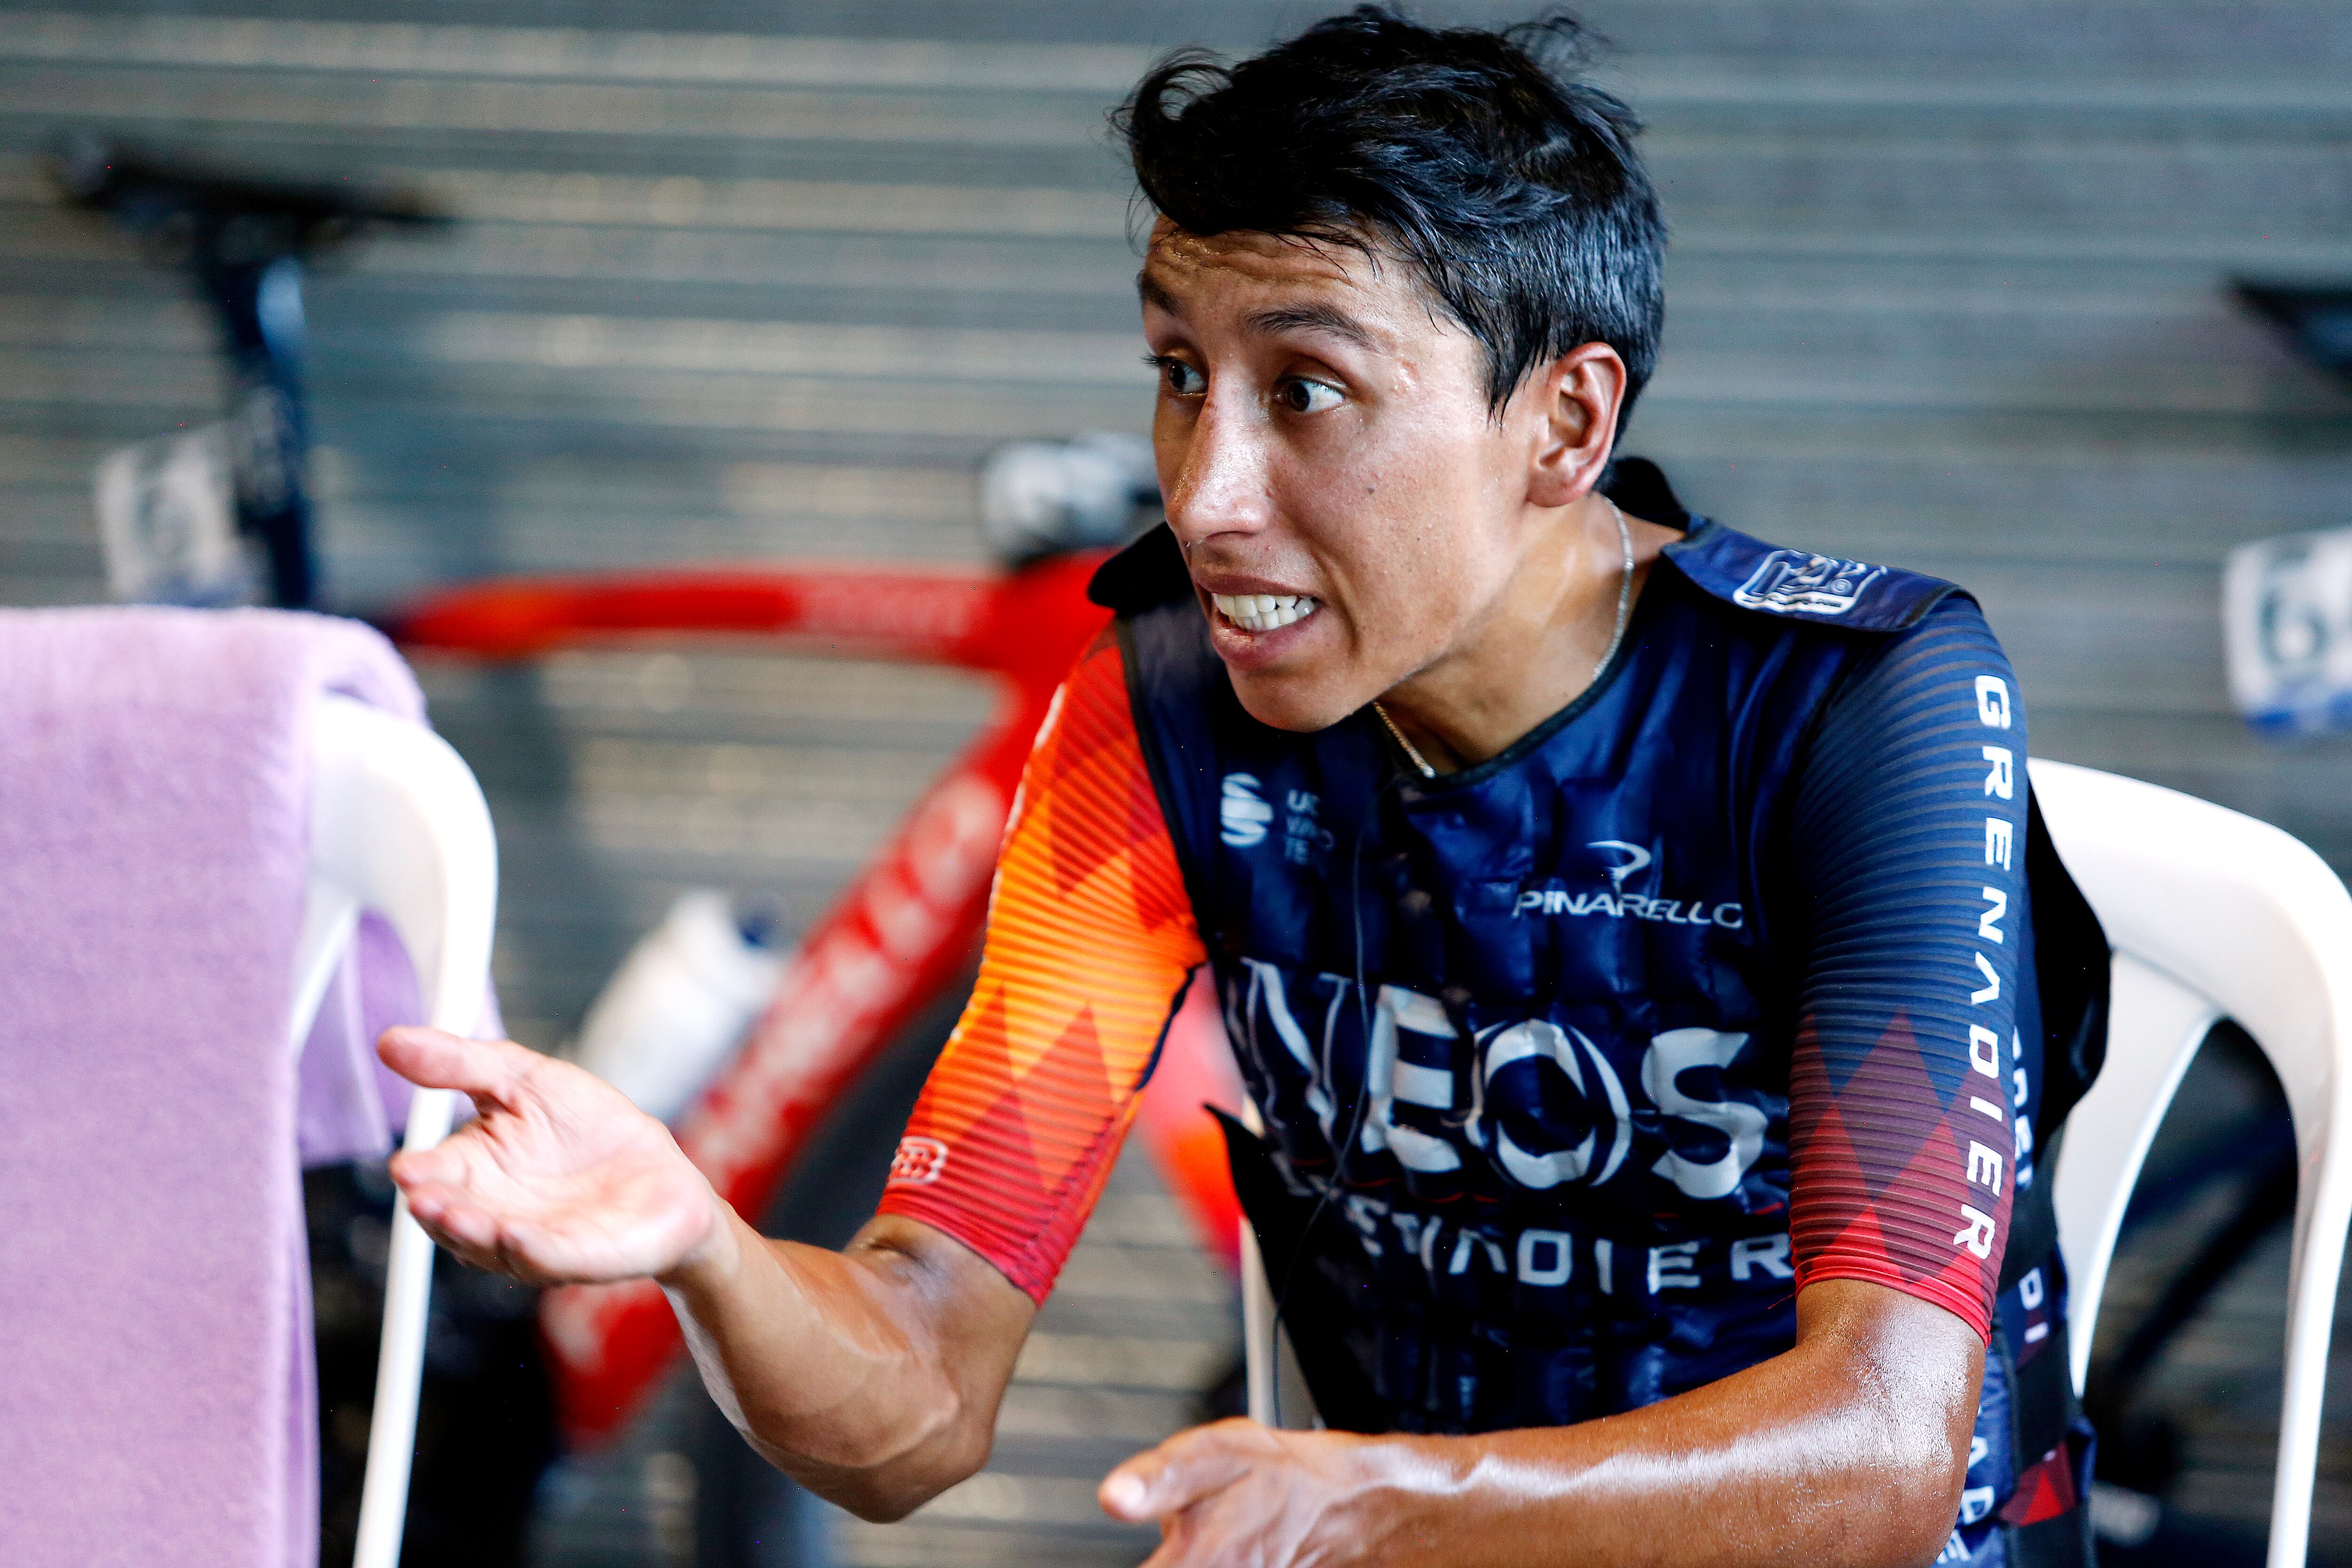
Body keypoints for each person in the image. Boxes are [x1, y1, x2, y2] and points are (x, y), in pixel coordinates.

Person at [378, 10, 2108, 1565]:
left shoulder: (1852, 704)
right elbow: (915, 1399)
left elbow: (1885, 1456)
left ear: (1565, 428)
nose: (1207, 494)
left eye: (1308, 390)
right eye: (1180, 376)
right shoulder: (1158, 712)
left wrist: (1397, 1503)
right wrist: (702, 1245)